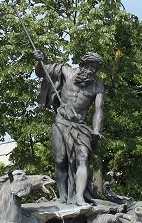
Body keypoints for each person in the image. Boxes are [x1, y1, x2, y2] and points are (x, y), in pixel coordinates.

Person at [34, 51, 105, 205]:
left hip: (80, 126)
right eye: (90, 67)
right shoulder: (66, 71)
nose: (92, 71)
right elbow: (41, 72)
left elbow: (99, 109)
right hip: (61, 122)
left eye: (95, 68)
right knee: (60, 159)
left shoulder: (97, 86)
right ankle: (63, 196)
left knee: (83, 157)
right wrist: (39, 61)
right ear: (83, 64)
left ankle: (79, 196)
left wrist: (96, 130)